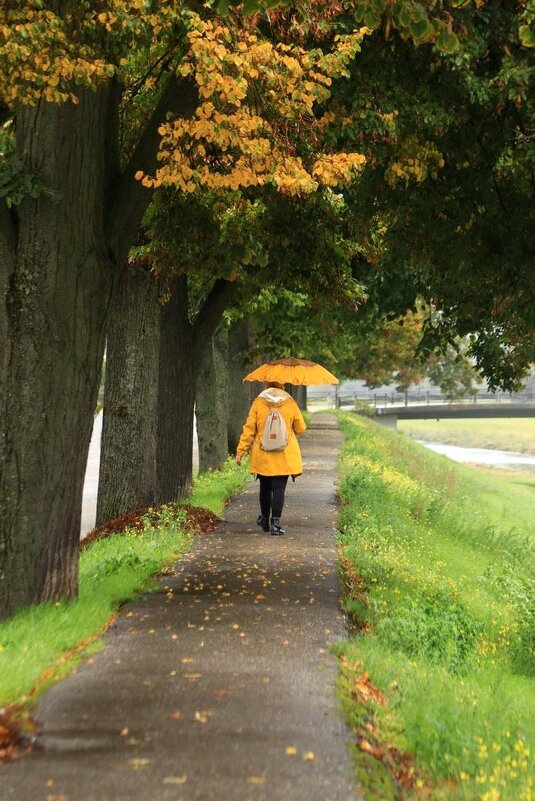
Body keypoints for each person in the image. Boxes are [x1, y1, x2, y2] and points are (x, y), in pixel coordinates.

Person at [235, 382, 307, 535]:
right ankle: (276, 525)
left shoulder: (258, 402)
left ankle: (265, 521)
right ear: (282, 386)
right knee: (279, 488)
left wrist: (240, 451)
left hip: (263, 454)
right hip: (284, 455)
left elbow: (249, 429)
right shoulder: (290, 402)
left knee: (265, 488)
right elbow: (301, 428)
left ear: (267, 384)